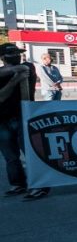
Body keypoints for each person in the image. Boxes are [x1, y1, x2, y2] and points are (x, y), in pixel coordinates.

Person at [0, 43, 39, 198]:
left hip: (24, 117)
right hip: (2, 120)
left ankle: (38, 185)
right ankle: (18, 184)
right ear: (3, 57)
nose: (17, 57)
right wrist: (14, 81)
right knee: (10, 156)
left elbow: (23, 69)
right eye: (12, 54)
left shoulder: (27, 67)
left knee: (31, 153)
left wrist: (14, 73)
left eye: (18, 53)